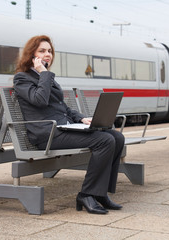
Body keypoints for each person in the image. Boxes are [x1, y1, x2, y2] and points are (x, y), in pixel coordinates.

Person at [13, 35, 125, 215]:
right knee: (104, 141)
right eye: (42, 50)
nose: (47, 54)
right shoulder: (22, 78)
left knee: (117, 137)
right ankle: (86, 194)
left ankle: (100, 193)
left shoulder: (45, 77)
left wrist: (82, 119)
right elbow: (40, 100)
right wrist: (44, 73)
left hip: (61, 128)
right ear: (31, 54)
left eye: (49, 51)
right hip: (46, 134)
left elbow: (62, 107)